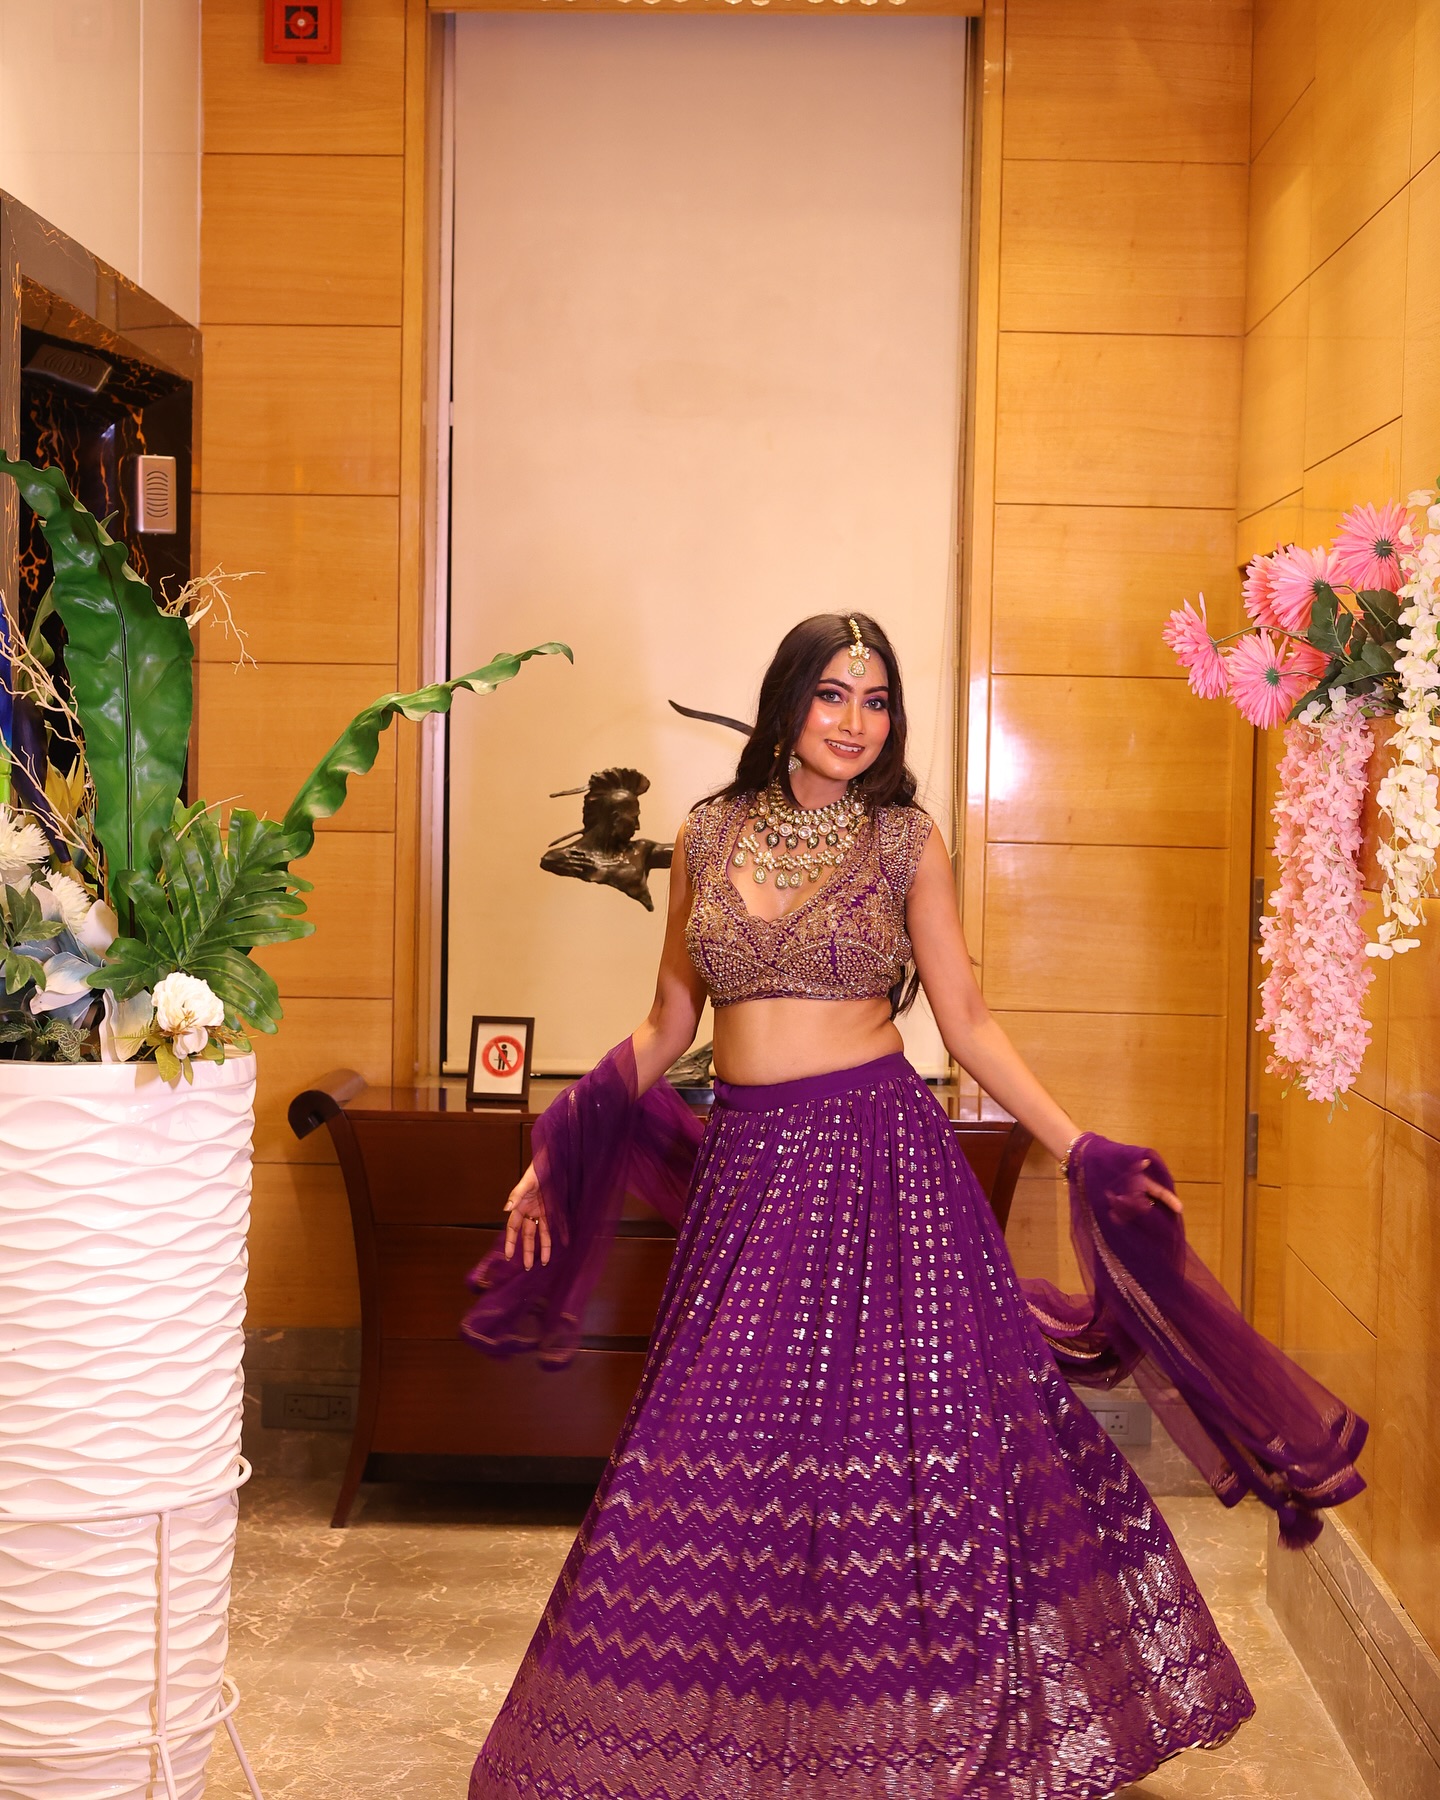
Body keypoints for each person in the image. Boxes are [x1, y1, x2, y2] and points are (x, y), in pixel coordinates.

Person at [462, 613, 1366, 1800]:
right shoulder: (708, 832)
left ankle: (909, 1742)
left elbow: (968, 1023)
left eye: (877, 700)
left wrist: (1081, 1147)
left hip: (882, 1168)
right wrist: (560, 1141)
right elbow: (667, 1022)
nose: (855, 721)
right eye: (833, 694)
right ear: (788, 701)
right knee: (697, 1455)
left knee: (905, 1463)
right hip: (750, 1178)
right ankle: (724, 1746)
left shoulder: (904, 842)